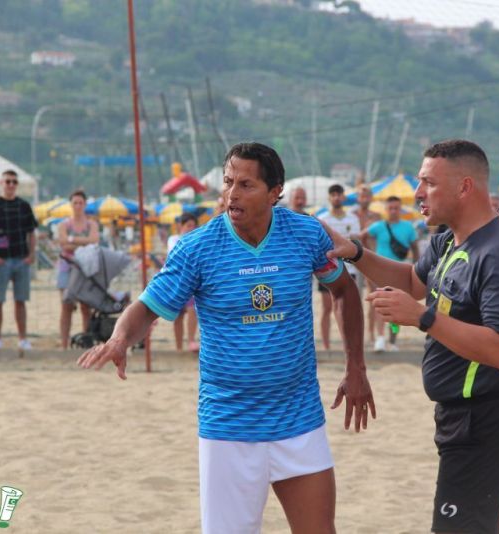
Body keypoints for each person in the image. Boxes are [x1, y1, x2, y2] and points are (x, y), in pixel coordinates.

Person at [79, 142, 374, 534]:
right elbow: (147, 306)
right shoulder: (196, 248)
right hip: (228, 425)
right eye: (228, 182)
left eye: (246, 185)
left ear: (275, 192)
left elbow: (343, 291)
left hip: (299, 419)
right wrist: (119, 340)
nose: (232, 194)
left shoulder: (306, 233)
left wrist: (356, 367)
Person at [323, 139, 499, 534]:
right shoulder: (448, 239)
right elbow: (410, 279)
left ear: (465, 187)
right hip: (459, 414)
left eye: (428, 183)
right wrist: (354, 252)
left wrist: (424, 318)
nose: (418, 193)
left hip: (491, 416)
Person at [0, 170, 38, 350]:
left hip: (21, 259)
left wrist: (31, 255)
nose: (11, 185)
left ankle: (22, 338)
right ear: (1, 183)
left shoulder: (24, 206)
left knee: (20, 301)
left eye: (14, 182)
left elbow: (31, 233)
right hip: (0, 260)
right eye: (8, 181)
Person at [363, 195, 418, 352]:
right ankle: (380, 338)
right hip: (378, 271)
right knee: (379, 304)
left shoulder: (408, 227)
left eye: (396, 208)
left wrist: (416, 267)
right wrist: (370, 256)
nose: (393, 211)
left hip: (400, 271)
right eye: (390, 208)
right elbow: (362, 236)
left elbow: (415, 248)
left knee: (396, 306)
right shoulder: (379, 226)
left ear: (400, 209)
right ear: (386, 210)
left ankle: (392, 341)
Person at [316, 184, 361, 351]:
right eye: (333, 194)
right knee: (327, 308)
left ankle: (347, 345)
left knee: (347, 309)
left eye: (339, 194)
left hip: (349, 268)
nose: (336, 197)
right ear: (329, 197)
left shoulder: (353, 218)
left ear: (343, 197)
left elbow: (357, 244)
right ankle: (326, 346)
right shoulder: (323, 218)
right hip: (327, 269)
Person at [56, 189, 100, 350]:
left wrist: (72, 239)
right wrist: (83, 242)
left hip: (85, 267)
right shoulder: (64, 224)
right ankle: (64, 343)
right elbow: (62, 243)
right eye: (75, 202)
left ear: (85, 204)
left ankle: (86, 341)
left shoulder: (91, 224)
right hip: (67, 266)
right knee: (66, 305)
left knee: (85, 306)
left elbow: (94, 240)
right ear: (71, 204)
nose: (78, 205)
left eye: (81, 202)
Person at [166, 212, 200, 352]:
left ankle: (191, 340)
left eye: (193, 225)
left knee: (193, 309)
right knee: (178, 315)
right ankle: (179, 346)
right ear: (180, 226)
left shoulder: (197, 239)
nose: (191, 228)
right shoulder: (174, 239)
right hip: (176, 281)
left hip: (191, 280)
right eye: (188, 225)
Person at [352, 184, 382, 342]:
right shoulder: (352, 215)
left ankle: (372, 333)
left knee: (374, 298)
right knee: (355, 299)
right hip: (353, 261)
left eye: (366, 195)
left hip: (370, 260)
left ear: (371, 197)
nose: (364, 198)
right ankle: (359, 333)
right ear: (358, 197)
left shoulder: (376, 217)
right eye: (361, 195)